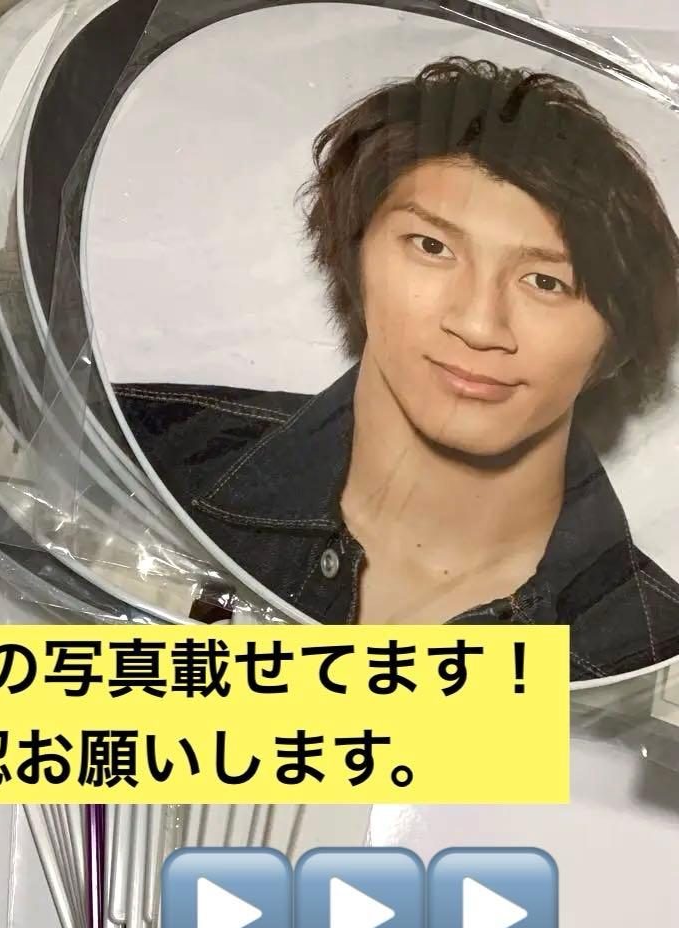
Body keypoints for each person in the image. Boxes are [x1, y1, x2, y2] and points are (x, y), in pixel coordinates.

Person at [116, 57, 679, 680]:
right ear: (354, 258)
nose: (478, 325)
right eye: (432, 247)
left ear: (616, 339)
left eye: (546, 281)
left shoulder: (656, 658)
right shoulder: (125, 457)